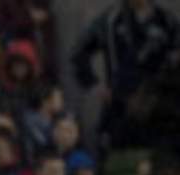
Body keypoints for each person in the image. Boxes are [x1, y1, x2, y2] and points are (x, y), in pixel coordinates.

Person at [71, 0, 180, 148]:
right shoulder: (111, 20)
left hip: (161, 110)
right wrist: (95, 85)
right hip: (122, 107)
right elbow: (79, 54)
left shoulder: (166, 20)